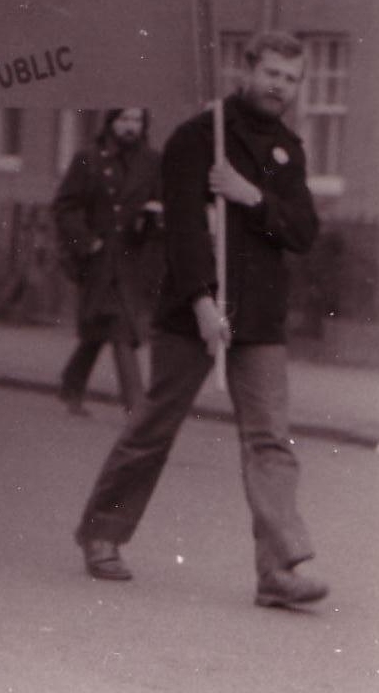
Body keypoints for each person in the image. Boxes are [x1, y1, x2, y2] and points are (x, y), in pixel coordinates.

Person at [74, 32, 328, 610]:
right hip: (194, 312)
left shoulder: (288, 147)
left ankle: (279, 569)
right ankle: (103, 533)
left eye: (290, 79)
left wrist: (248, 196)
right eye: (271, 74)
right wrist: (203, 303)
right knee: (154, 427)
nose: (278, 87)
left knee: (270, 440)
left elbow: (303, 231)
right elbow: (184, 230)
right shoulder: (198, 137)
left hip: (260, 317)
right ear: (247, 70)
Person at [51, 108, 162, 416]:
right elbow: (65, 207)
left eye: (136, 120)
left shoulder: (153, 162)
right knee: (121, 328)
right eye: (123, 120)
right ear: (111, 123)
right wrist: (87, 241)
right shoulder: (89, 158)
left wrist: (152, 217)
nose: (130, 127)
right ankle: (137, 407)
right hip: (99, 259)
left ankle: (71, 384)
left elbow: (161, 202)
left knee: (103, 325)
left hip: (135, 259)